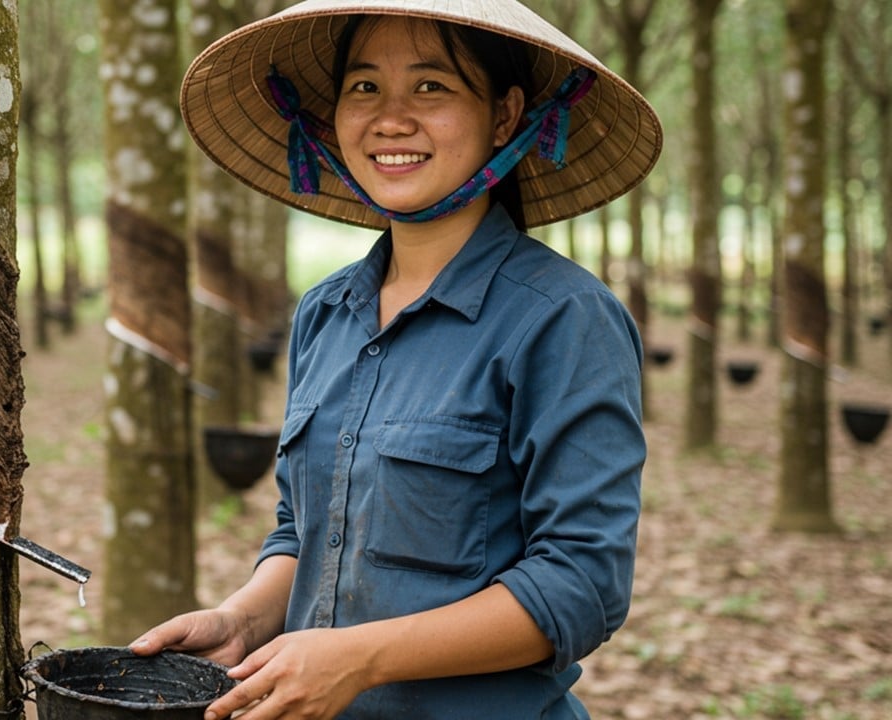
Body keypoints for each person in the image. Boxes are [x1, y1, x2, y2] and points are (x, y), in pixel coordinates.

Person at [131, 0, 662, 717]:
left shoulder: (563, 319)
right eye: (365, 87)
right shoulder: (324, 313)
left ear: (505, 116)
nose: (390, 119)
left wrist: (360, 659)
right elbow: (305, 530)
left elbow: (582, 584)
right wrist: (243, 621)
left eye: (431, 86)